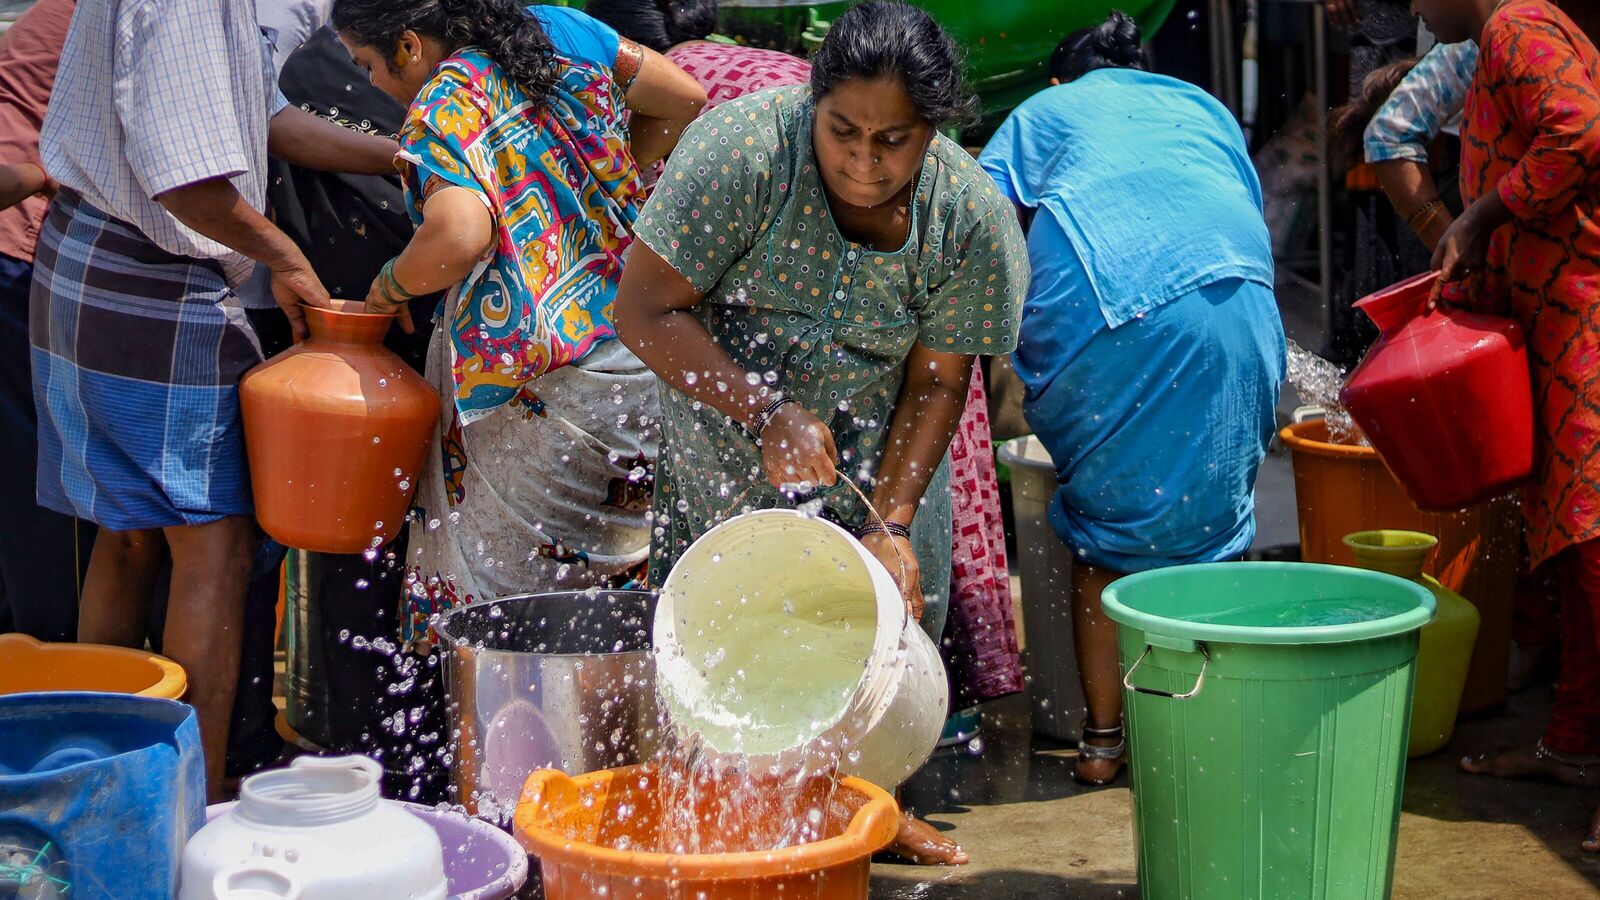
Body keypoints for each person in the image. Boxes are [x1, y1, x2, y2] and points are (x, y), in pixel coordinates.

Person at [614, 0, 1029, 865]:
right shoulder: (742, 154)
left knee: (876, 634)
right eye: (844, 131)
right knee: (732, 638)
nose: (865, 161)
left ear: (933, 133)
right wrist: (762, 411)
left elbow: (939, 376)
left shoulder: (970, 218)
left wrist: (891, 522)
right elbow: (644, 309)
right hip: (725, 429)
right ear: (814, 103)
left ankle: (865, 815)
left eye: (895, 141)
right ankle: (738, 827)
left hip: (882, 449)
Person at [33, 0, 402, 800]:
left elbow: (255, 115)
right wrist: (289, 260)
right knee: (215, 546)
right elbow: (191, 184)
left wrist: (396, 159)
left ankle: (101, 771)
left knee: (127, 533)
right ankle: (185, 799)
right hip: (151, 272)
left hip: (89, 253)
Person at [329, 0, 705, 640]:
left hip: (536, 387)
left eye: (368, 64)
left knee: (511, 628)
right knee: (613, 626)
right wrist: (604, 185)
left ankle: (508, 737)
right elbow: (684, 96)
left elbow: (458, 236)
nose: (372, 85)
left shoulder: (447, 97)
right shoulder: (560, 27)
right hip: (640, 359)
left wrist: (388, 287)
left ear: (410, 46)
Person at [978, 12, 1285, 785]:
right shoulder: (1199, 104)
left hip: (1104, 317)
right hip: (1244, 312)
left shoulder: (1043, 112)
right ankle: (1209, 731)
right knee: (1215, 534)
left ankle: (1103, 744)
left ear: (1061, 79)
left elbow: (977, 220)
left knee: (1106, 542)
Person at [1411, 0, 1600, 853]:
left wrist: (1481, 213)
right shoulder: (1499, 40)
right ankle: (1573, 743)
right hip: (1555, 325)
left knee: (1596, 549)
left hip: (1588, 326)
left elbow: (1581, 133)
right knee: (1569, 548)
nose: (1412, 8)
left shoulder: (1515, 27)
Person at [0, 0, 88, 645]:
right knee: (40, 471)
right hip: (21, 254)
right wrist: (42, 177)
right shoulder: (102, 21)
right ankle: (50, 649)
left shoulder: (46, 16)